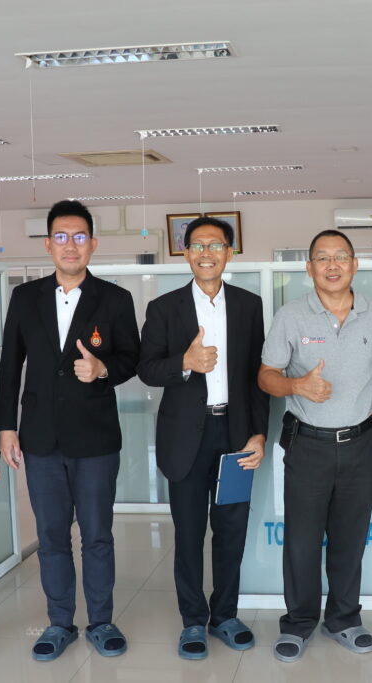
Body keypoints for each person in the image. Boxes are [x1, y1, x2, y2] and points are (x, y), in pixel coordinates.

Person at [0, 200, 140, 661]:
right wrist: (6, 427)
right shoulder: (25, 297)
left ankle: (101, 621)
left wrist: (102, 369)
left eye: (79, 237)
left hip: (95, 439)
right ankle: (60, 622)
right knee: (52, 537)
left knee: (97, 535)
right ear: (48, 244)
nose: (70, 245)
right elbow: (10, 367)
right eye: (61, 237)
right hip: (40, 439)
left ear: (92, 243)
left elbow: (131, 359)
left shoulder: (115, 299)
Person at [258, 229, 372, 662]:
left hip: (360, 445)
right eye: (322, 258)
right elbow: (266, 376)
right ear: (309, 267)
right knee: (301, 541)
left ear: (355, 264)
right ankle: (298, 623)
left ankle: (343, 619)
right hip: (308, 445)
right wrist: (297, 385)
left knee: (349, 539)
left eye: (340, 257)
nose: (332, 265)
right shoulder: (291, 315)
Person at [137, 216, 269, 659]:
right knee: (190, 533)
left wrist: (258, 434)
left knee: (231, 530)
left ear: (229, 253)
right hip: (184, 439)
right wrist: (185, 362)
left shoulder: (249, 305)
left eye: (215, 245)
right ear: (186, 253)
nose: (206, 253)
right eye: (197, 245)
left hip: (235, 434)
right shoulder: (164, 307)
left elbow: (257, 376)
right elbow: (146, 369)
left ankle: (225, 616)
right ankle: (193, 620)